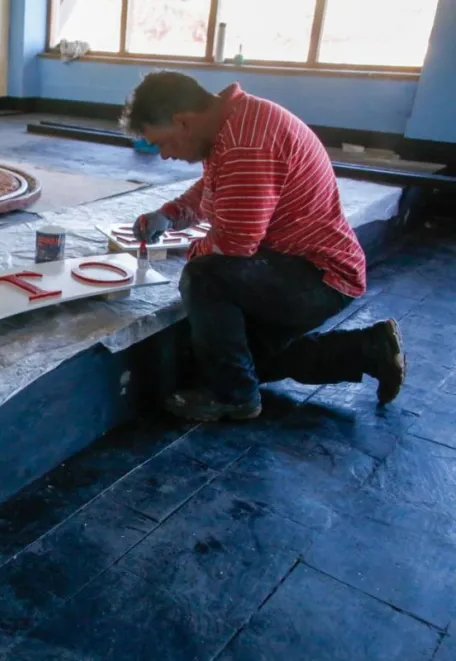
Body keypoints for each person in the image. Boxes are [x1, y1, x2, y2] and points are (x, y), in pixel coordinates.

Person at [121, 71, 406, 422]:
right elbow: (214, 187)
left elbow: (234, 244)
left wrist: (194, 256)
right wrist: (170, 213)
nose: (164, 155)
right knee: (238, 362)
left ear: (183, 122)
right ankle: (366, 350)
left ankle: (234, 399)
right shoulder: (235, 124)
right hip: (300, 266)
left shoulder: (246, 143)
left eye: (163, 143)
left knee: (204, 276)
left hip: (317, 275)